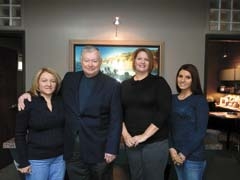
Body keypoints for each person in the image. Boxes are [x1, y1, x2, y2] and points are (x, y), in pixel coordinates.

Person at [18, 46, 123, 180]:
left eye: (94, 61)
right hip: (71, 148)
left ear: (101, 61)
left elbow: (116, 119)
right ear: (81, 60)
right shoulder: (69, 78)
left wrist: (112, 148)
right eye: (86, 60)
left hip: (99, 149)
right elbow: (50, 92)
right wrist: (28, 94)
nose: (90, 64)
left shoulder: (112, 85)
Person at [121, 48, 172, 180]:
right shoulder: (124, 85)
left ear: (151, 63)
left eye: (146, 59)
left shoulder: (159, 83)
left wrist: (144, 136)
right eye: (139, 58)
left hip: (155, 143)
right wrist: (126, 136)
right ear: (134, 61)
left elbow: (163, 112)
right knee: (136, 177)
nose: (142, 62)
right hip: (132, 144)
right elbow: (118, 113)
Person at [15, 67, 65, 180]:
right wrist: (23, 162)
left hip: (60, 159)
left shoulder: (61, 101)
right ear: (37, 84)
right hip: (37, 160)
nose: (49, 84)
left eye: (53, 81)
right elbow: (19, 134)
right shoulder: (27, 103)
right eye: (44, 81)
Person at [168, 64, 209, 180]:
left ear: (193, 80)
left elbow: (200, 132)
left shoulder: (200, 100)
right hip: (176, 155)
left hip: (194, 157)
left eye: (187, 77)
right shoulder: (172, 99)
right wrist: (172, 149)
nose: (182, 80)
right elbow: (169, 126)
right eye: (180, 76)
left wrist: (183, 153)